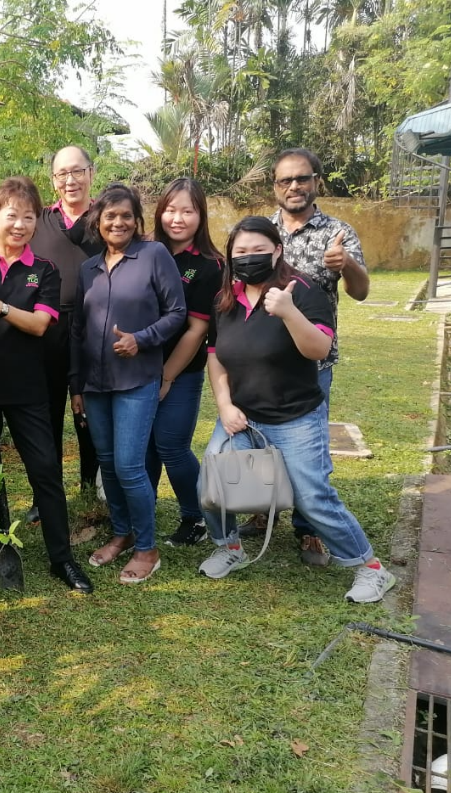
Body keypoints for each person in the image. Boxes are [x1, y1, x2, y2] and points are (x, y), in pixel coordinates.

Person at [196, 216, 394, 604]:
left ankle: (370, 568)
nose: (249, 258)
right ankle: (230, 547)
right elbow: (216, 356)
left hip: (295, 417)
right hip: (243, 415)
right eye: (240, 252)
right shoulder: (226, 297)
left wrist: (288, 311)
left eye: (258, 251)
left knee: (312, 496)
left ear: (277, 251)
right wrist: (224, 405)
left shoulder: (301, 291)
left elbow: (318, 350)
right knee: (210, 484)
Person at [0, 176, 93, 594]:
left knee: (45, 470)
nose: (20, 225)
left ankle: (62, 557)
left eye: (28, 217)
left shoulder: (44, 270)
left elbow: (41, 324)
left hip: (27, 387)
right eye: (12, 215)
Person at [240, 148, 370, 564]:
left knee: (309, 449)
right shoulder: (263, 231)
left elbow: (362, 291)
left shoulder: (337, 231)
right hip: (261, 358)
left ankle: (309, 528)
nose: (294, 187)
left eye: (302, 179)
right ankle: (264, 511)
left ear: (316, 180)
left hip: (312, 360)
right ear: (274, 186)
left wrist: (346, 263)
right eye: (285, 180)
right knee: (260, 440)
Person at [0, 140, 102, 520]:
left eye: (77, 171)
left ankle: (91, 484)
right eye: (62, 173)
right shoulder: (39, 218)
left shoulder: (104, 217)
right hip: (43, 328)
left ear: (91, 174)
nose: (70, 180)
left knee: (89, 411)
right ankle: (44, 494)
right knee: (44, 415)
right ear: (53, 180)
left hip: (91, 328)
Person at [70, 184, 186, 585]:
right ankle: (121, 533)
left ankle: (147, 548)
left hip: (137, 380)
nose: (117, 222)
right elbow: (79, 330)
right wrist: (76, 387)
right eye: (109, 216)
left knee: (129, 466)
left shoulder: (154, 256)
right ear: (98, 223)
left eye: (125, 216)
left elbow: (177, 312)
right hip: (96, 384)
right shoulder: (89, 268)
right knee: (107, 462)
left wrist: (142, 339)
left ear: (137, 221)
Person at [145, 179, 224, 547]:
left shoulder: (209, 265)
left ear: (200, 216)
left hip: (180, 371)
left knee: (171, 445)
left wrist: (167, 376)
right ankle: (139, 515)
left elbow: (196, 330)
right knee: (143, 446)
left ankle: (196, 517)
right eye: (171, 209)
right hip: (137, 367)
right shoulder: (144, 251)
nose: (177, 218)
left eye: (187, 210)